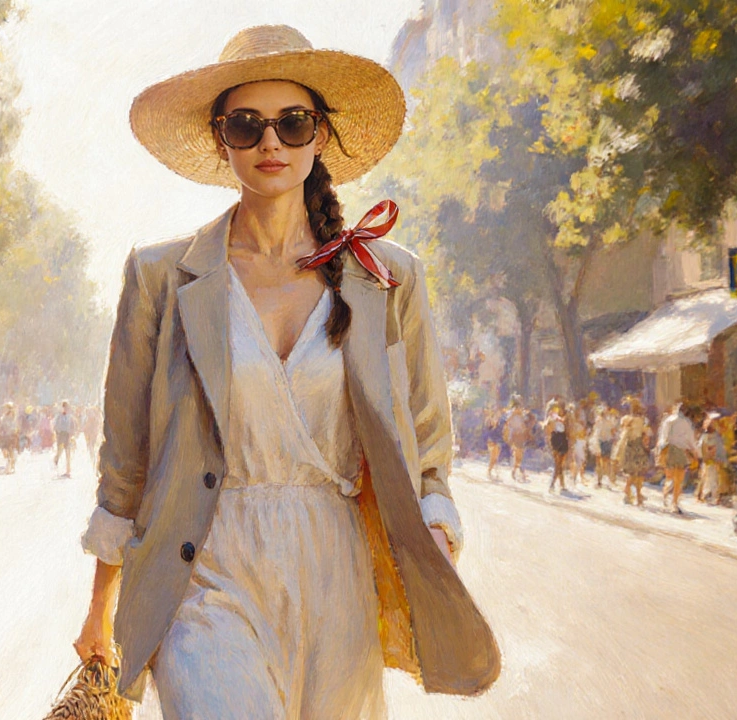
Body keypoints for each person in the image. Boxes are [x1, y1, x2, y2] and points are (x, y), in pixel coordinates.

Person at [73, 26, 498, 717]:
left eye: (292, 123)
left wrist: (435, 538)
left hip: (339, 576)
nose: (270, 143)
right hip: (204, 574)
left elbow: (427, 444)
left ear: (319, 135)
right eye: (247, 125)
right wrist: (99, 608)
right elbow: (125, 462)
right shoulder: (159, 277)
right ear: (221, 140)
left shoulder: (387, 277)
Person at [655, 403, 699, 514]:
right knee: (679, 479)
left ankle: (666, 495)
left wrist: (660, 450)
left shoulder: (668, 420)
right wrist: (695, 452)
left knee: (669, 476)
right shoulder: (686, 422)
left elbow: (662, 436)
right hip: (681, 451)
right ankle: (674, 503)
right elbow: (691, 439)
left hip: (668, 449)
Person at [614, 397, 653, 506]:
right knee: (639, 472)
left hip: (630, 446)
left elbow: (623, 432)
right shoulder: (642, 420)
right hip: (638, 446)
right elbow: (647, 434)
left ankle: (630, 493)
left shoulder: (626, 419)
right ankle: (637, 495)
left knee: (632, 472)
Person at [696, 413, 728, 505]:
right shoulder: (706, 436)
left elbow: (720, 448)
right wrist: (706, 453)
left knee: (713, 479)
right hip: (708, 460)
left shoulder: (717, 436)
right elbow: (701, 447)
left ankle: (713, 496)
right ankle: (706, 496)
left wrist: (719, 457)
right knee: (707, 478)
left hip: (714, 460)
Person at [590, 403, 618, 489]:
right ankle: (599, 480)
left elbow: (613, 431)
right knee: (600, 462)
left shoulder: (610, 421)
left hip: (606, 441)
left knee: (605, 462)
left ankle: (605, 480)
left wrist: (614, 438)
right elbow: (595, 431)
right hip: (599, 441)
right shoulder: (598, 420)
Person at [543, 400, 569, 493]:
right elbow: (550, 427)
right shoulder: (553, 416)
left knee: (560, 464)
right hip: (558, 439)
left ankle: (562, 485)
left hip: (560, 439)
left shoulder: (553, 417)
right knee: (558, 464)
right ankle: (553, 484)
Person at [504, 396, 531, 482]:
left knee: (520, 456)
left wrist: (522, 416)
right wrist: (514, 414)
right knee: (517, 454)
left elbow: (524, 422)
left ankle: (516, 471)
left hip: (521, 435)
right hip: (514, 435)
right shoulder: (511, 412)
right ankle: (518, 471)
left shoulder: (521, 413)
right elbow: (507, 422)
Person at [52, 400, 76, 478]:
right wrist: (57, 433)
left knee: (68, 453)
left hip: (67, 435)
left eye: (67, 407)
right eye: (64, 407)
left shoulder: (70, 417)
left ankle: (68, 471)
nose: (65, 409)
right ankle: (56, 460)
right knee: (60, 451)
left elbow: (73, 426)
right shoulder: (59, 416)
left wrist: (71, 434)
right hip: (60, 435)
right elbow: (55, 426)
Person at [0, 402, 19, 474]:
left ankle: (12, 465)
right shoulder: (3, 417)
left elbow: (15, 426)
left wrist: (14, 432)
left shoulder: (13, 417)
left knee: (10, 450)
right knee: (4, 450)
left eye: (6, 408)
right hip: (4, 436)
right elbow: (1, 426)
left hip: (11, 435)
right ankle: (10, 461)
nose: (4, 409)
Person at [483, 405, 504, 480]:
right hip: (491, 440)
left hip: (498, 440)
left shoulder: (500, 421)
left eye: (500, 412)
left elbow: (501, 431)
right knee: (493, 457)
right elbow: (488, 430)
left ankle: (493, 472)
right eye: (498, 412)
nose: (499, 414)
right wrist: (493, 424)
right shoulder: (489, 420)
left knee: (496, 457)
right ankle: (489, 471)